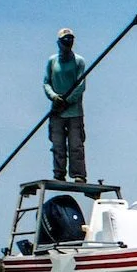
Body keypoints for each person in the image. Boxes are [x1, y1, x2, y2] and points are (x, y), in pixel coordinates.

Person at [43, 26, 89, 183]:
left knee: (76, 145)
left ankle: (78, 174)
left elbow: (81, 85)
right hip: (57, 111)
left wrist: (68, 101)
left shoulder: (79, 61)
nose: (68, 43)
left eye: (70, 40)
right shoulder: (52, 61)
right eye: (65, 41)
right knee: (58, 144)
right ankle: (59, 173)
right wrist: (55, 97)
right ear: (59, 43)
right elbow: (46, 83)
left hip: (74, 111)